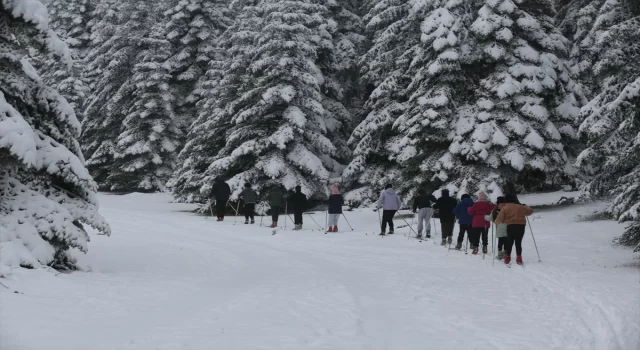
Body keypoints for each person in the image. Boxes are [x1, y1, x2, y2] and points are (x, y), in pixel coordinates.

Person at [495, 194, 533, 265]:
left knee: (510, 241)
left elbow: (500, 219)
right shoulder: (520, 207)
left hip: (510, 226)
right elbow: (530, 211)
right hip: (521, 226)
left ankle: (507, 257)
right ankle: (519, 257)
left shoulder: (505, 208)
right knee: (518, 242)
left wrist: (496, 221)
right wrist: (525, 206)